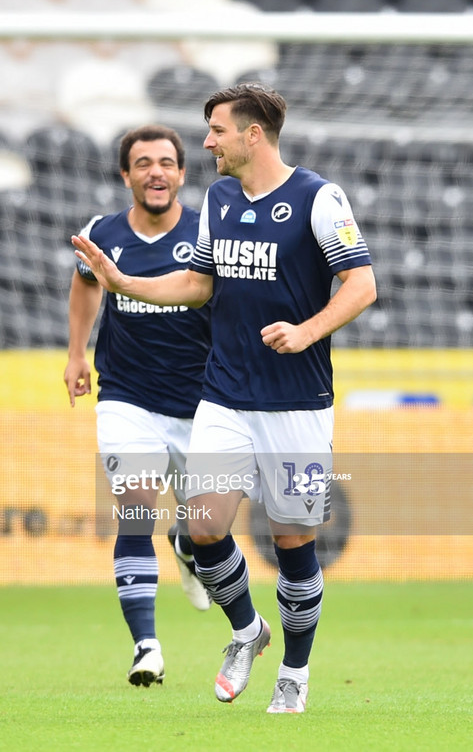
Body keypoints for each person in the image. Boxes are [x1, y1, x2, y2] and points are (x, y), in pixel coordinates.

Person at [73, 83, 376, 713]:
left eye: (216, 130)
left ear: (252, 134)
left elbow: (362, 284)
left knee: (293, 543)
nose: (207, 142)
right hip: (225, 396)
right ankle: (246, 631)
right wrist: (124, 281)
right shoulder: (219, 196)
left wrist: (308, 330)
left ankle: (294, 672)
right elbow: (198, 283)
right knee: (202, 527)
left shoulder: (319, 198)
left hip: (297, 403)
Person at [63, 124, 212, 689]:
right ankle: (146, 644)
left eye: (167, 163)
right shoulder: (101, 233)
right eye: (144, 163)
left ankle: (187, 543)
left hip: (204, 403)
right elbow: (85, 284)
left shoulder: (208, 232)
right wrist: (77, 353)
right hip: (127, 396)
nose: (157, 172)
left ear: (181, 173)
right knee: (135, 510)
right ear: (126, 175)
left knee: (207, 526)